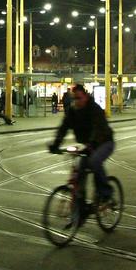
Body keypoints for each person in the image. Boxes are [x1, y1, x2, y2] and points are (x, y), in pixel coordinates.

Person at [48, 85, 115, 224]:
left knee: (94, 162)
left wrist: (91, 144)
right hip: (87, 146)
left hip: (104, 142)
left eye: (79, 98)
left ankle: (106, 193)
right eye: (74, 99)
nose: (76, 101)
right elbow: (63, 128)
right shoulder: (72, 111)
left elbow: (98, 129)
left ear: (85, 96)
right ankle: (81, 210)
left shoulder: (94, 109)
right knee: (79, 173)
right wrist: (55, 144)